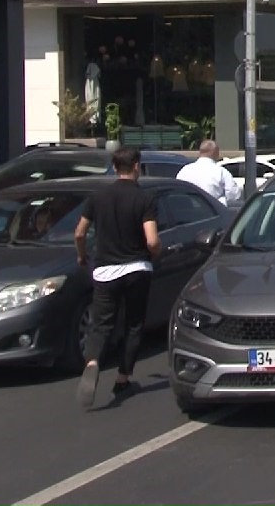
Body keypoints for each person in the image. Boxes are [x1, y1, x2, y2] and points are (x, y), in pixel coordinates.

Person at [74, 146, 162, 408]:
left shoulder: (98, 197)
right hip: (136, 269)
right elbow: (152, 239)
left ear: (114, 167)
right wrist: (156, 254)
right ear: (137, 166)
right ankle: (123, 378)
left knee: (101, 324)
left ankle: (92, 361)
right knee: (133, 324)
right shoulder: (145, 199)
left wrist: (82, 256)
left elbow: (80, 232)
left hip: (105, 270)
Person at [176, 139, 242, 206]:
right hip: (213, 211)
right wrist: (222, 200)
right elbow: (233, 194)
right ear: (215, 152)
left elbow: (177, 191)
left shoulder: (185, 170)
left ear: (200, 152)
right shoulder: (221, 171)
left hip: (187, 211)